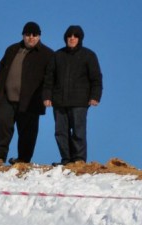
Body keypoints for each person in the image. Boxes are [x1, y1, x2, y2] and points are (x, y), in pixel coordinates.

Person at [0, 21, 54, 165]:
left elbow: (52, 77)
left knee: (27, 132)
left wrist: (46, 94)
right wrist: (3, 86)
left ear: (39, 36)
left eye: (34, 35)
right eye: (28, 34)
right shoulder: (12, 49)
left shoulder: (47, 54)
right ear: (23, 35)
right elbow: (1, 68)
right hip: (7, 97)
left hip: (30, 100)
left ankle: (23, 160)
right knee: (2, 121)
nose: (31, 37)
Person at [43, 25, 103, 164]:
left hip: (80, 101)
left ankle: (79, 159)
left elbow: (96, 78)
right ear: (65, 38)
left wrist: (95, 96)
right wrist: (47, 96)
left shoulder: (89, 55)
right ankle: (66, 159)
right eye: (69, 36)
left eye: (75, 36)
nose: (72, 38)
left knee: (78, 131)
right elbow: (49, 78)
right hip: (59, 101)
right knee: (60, 132)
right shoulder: (57, 55)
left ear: (80, 39)